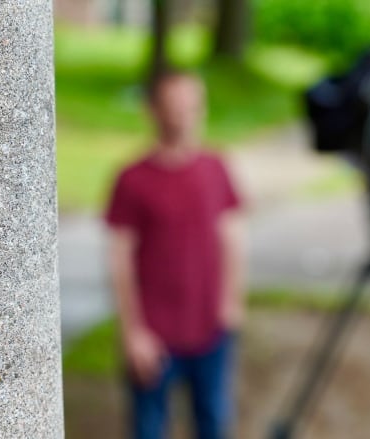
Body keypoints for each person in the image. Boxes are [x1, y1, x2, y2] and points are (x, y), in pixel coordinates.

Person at [105, 71, 245, 439]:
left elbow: (230, 238)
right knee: (149, 429)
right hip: (155, 337)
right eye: (175, 106)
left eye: (193, 106)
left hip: (210, 329)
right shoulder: (132, 178)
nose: (185, 115)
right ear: (153, 110)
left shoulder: (216, 168)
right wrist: (133, 331)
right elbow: (120, 257)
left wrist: (230, 303)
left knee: (213, 423)